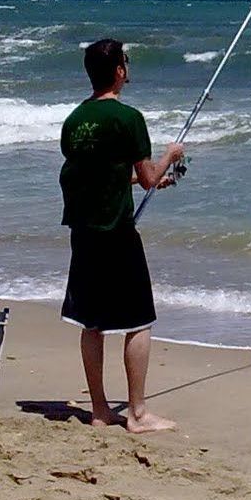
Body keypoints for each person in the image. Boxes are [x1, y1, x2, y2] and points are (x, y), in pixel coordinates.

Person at [59, 38, 184, 433]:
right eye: (125, 63)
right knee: (139, 319)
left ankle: (99, 410)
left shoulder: (74, 120)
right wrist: (170, 157)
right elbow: (147, 177)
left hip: (83, 231)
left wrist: (139, 180)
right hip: (116, 232)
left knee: (91, 322)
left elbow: (97, 178)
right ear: (118, 71)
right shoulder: (129, 118)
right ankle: (138, 414)